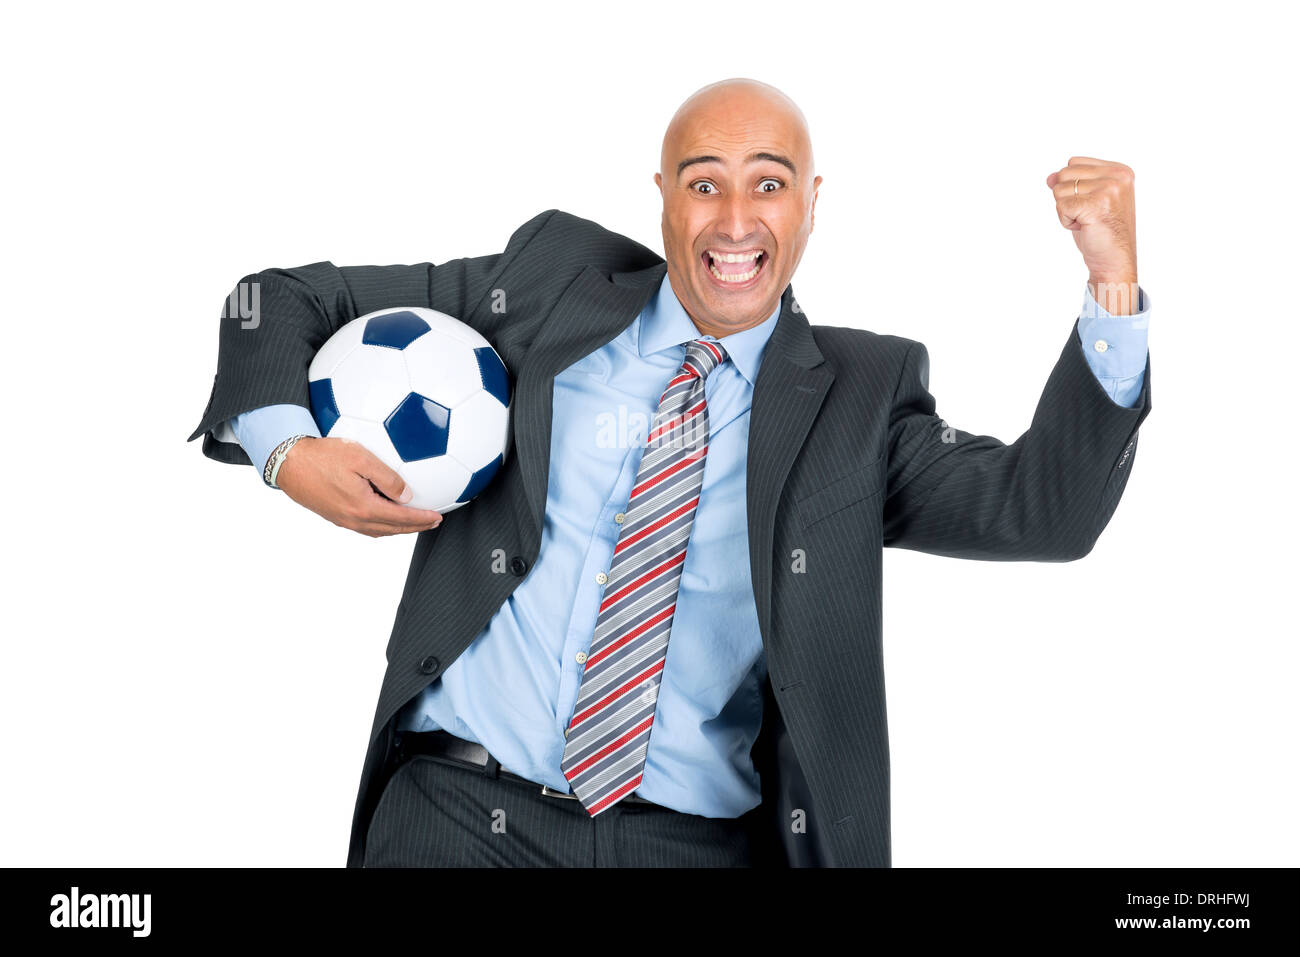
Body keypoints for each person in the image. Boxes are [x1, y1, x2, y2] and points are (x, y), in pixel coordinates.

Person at [186, 78, 1152, 867]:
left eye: (768, 184)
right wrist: (285, 451)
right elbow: (274, 300)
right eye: (704, 184)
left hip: (686, 844)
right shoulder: (550, 287)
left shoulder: (860, 396)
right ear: (662, 196)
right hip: (458, 814)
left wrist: (1113, 278)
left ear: (813, 204)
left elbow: (1045, 514)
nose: (735, 219)